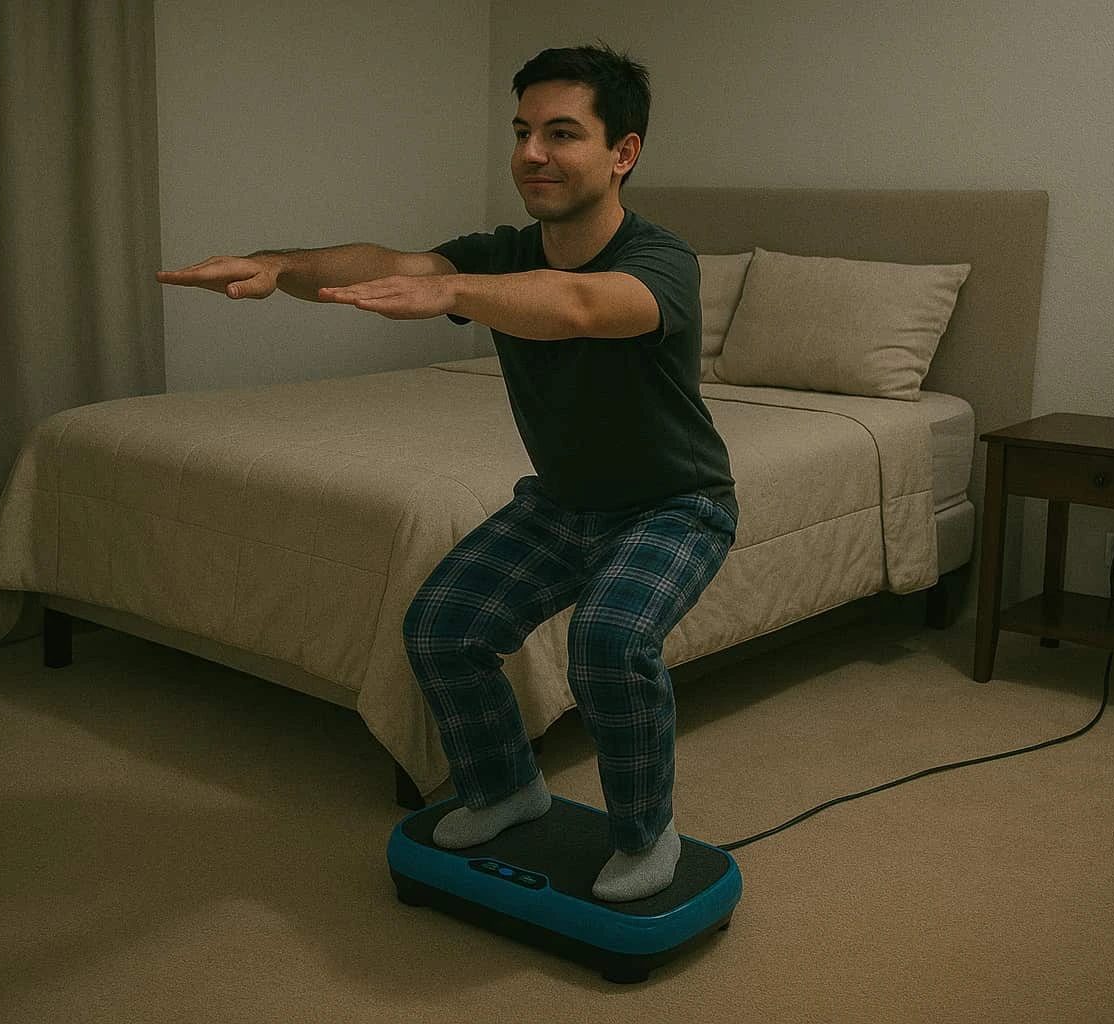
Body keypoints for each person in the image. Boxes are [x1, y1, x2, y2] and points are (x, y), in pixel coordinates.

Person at [157, 43, 737, 902]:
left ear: (624, 153)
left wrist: (459, 294)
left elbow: (579, 307)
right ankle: (506, 787)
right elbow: (397, 264)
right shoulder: (494, 254)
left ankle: (646, 835)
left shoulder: (663, 261)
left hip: (673, 507)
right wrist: (281, 269)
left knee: (610, 641)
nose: (532, 153)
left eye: (562, 133)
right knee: (441, 624)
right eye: (522, 131)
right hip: (563, 504)